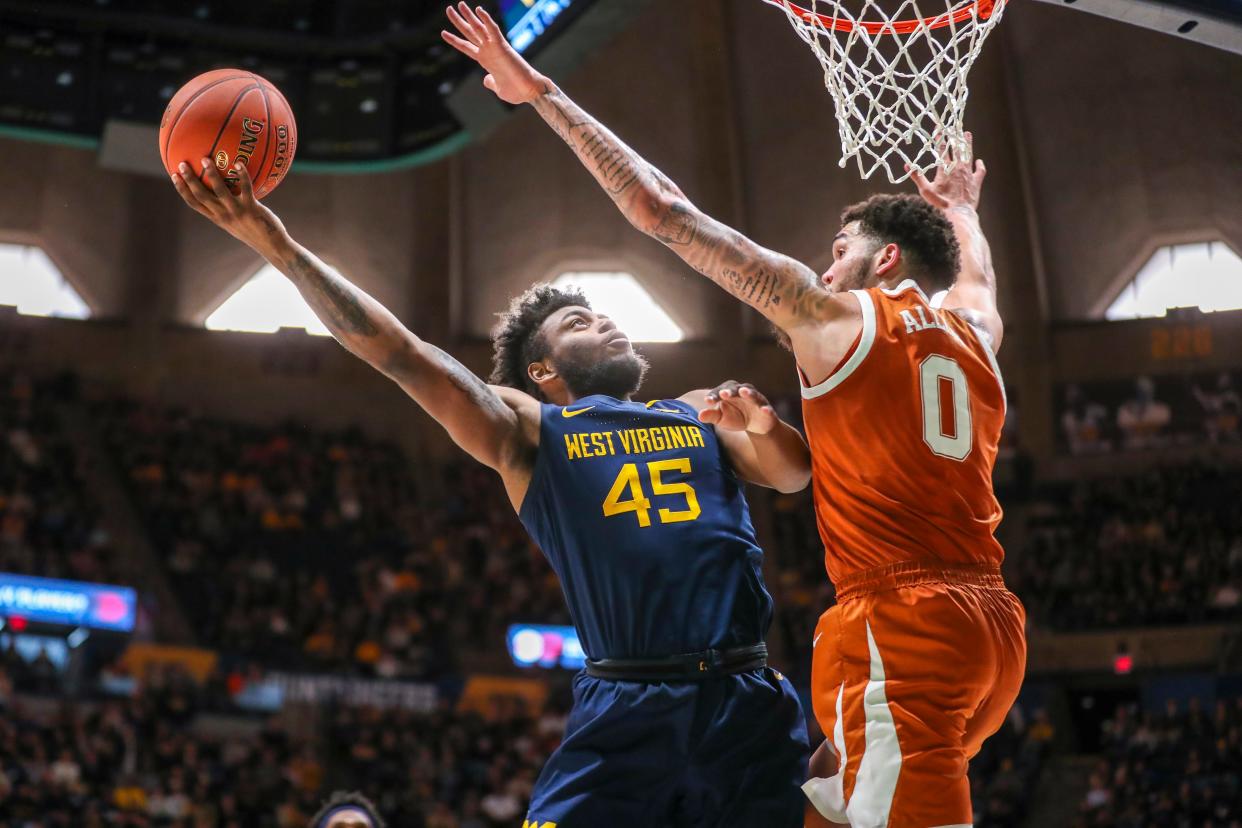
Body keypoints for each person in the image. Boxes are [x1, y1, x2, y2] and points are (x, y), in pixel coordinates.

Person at [441, 5, 1026, 825]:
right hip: (997, 629)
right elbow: (981, 282)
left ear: (884, 259)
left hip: (904, 625)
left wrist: (539, 93)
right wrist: (963, 209)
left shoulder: (834, 319)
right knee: (815, 806)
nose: (827, 264)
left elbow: (662, 210)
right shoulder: (974, 333)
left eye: (839, 249)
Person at [170, 147, 812, 823]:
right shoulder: (531, 429)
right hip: (630, 703)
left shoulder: (697, 407)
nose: (605, 322)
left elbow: (792, 474)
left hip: (747, 701)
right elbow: (402, 355)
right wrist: (277, 243)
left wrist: (765, 428)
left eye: (600, 315)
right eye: (579, 323)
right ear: (541, 371)